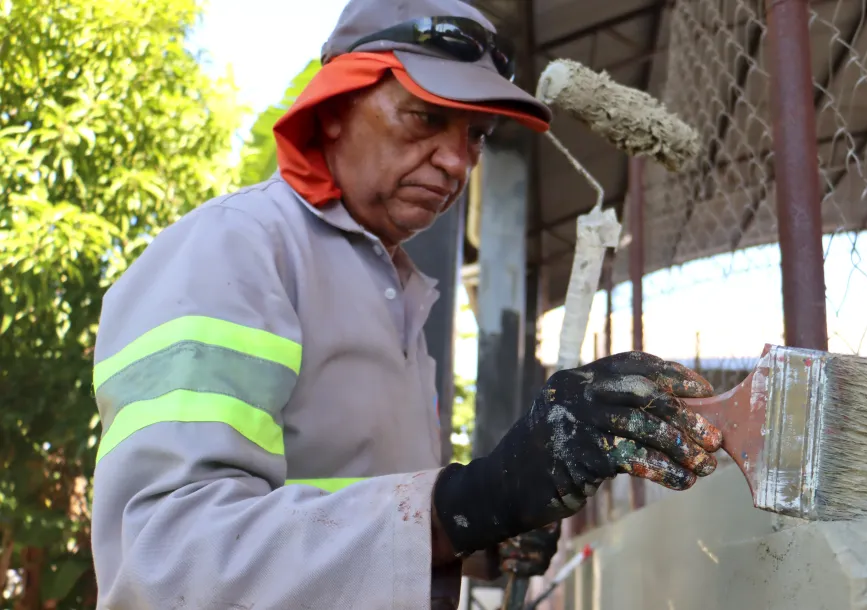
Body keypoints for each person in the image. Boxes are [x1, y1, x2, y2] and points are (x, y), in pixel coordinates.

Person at [88, 0, 724, 608]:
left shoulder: (393, 292)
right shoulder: (234, 251)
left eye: (477, 134)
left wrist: (483, 537)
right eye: (425, 117)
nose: (455, 161)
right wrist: (469, 503)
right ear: (335, 106)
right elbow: (167, 561)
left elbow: (366, 515)